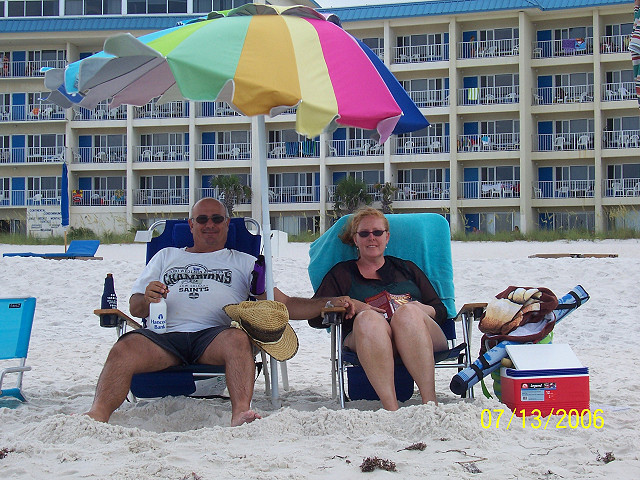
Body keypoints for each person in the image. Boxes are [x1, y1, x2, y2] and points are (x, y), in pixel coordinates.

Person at [85, 197, 357, 427]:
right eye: (202, 220)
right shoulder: (166, 256)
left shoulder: (245, 262)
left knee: (238, 340)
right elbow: (135, 307)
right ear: (191, 225)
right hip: (164, 336)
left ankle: (240, 412)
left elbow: (282, 305)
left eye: (217, 219)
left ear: (227, 224)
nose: (210, 225)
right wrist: (147, 296)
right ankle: (97, 415)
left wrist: (329, 302)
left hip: (213, 338)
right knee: (124, 347)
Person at [311, 207, 448, 411]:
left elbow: (441, 311)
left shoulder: (407, 268)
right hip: (369, 340)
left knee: (407, 313)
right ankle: (391, 409)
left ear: (387, 237)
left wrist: (420, 309)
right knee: (368, 318)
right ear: (355, 239)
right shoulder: (342, 273)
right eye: (364, 233)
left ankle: (430, 404)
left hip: (419, 336)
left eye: (377, 232)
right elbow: (314, 317)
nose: (371, 238)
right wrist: (351, 304)